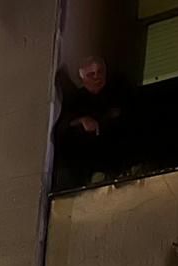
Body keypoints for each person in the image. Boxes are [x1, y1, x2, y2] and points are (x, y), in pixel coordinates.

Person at [53, 56, 127, 189]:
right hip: (83, 162)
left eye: (100, 72)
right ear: (82, 78)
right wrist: (81, 121)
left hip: (112, 158)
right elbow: (61, 129)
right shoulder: (76, 100)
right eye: (91, 74)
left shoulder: (115, 94)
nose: (96, 77)